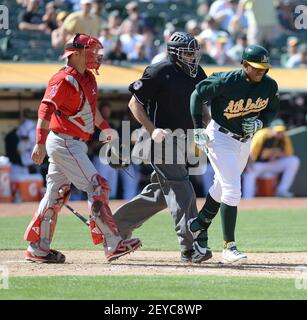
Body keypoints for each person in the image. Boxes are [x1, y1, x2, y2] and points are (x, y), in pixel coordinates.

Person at [24, 33, 141, 264]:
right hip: (64, 142)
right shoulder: (63, 80)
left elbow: (90, 110)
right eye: (90, 52)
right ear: (75, 54)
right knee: (97, 185)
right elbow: (45, 109)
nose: (95, 57)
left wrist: (105, 128)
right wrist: (39, 142)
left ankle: (38, 248)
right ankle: (113, 242)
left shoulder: (87, 78)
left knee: (55, 196)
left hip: (74, 143)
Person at [113, 31, 208, 263]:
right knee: (182, 188)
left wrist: (209, 128)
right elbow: (134, 103)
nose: (192, 58)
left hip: (184, 139)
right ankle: (191, 245)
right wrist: (152, 129)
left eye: (194, 53)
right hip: (159, 138)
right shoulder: (159, 71)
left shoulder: (198, 73)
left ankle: (114, 225)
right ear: (175, 53)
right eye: (187, 53)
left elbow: (202, 108)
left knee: (161, 194)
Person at [188, 44, 280, 263]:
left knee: (221, 187)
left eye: (264, 67)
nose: (261, 71)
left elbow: (272, 109)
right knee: (232, 189)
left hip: (244, 141)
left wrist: (260, 122)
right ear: (244, 64)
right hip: (219, 136)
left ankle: (198, 224)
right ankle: (229, 247)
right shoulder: (225, 81)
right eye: (257, 67)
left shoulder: (269, 85)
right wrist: (197, 128)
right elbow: (196, 95)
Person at [242, 119, 300, 198]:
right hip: (259, 165)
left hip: (274, 164)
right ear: (271, 129)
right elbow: (251, 153)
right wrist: (248, 166)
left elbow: (289, 154)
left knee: (293, 161)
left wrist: (276, 153)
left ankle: (282, 191)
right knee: (249, 173)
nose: (280, 134)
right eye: (278, 131)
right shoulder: (262, 134)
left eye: (281, 131)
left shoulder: (284, 136)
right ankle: (248, 198)